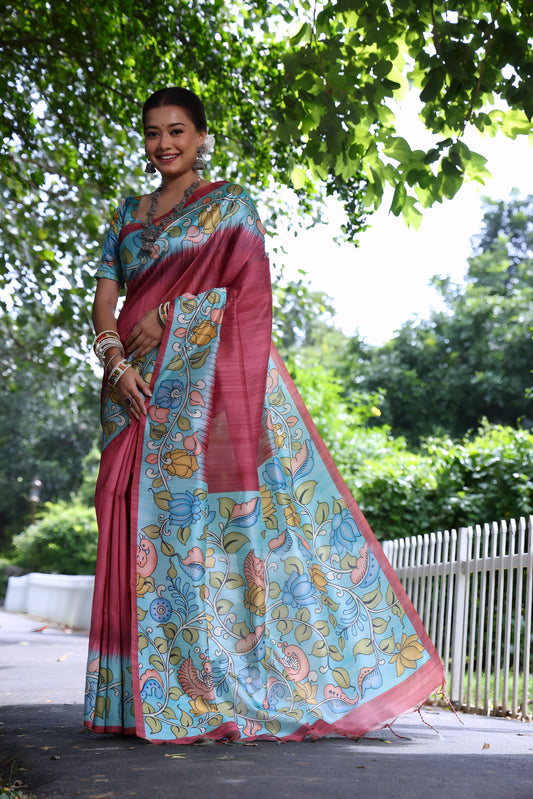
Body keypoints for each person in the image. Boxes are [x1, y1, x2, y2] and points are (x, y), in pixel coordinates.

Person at [84, 87, 443, 743]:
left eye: (177, 132)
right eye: (153, 133)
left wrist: (170, 314)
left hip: (195, 392)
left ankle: (203, 681)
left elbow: (245, 293)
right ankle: (128, 695)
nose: (164, 144)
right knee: (124, 516)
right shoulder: (126, 216)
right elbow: (103, 303)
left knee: (190, 537)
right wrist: (115, 362)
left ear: (200, 137)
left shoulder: (229, 208)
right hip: (130, 392)